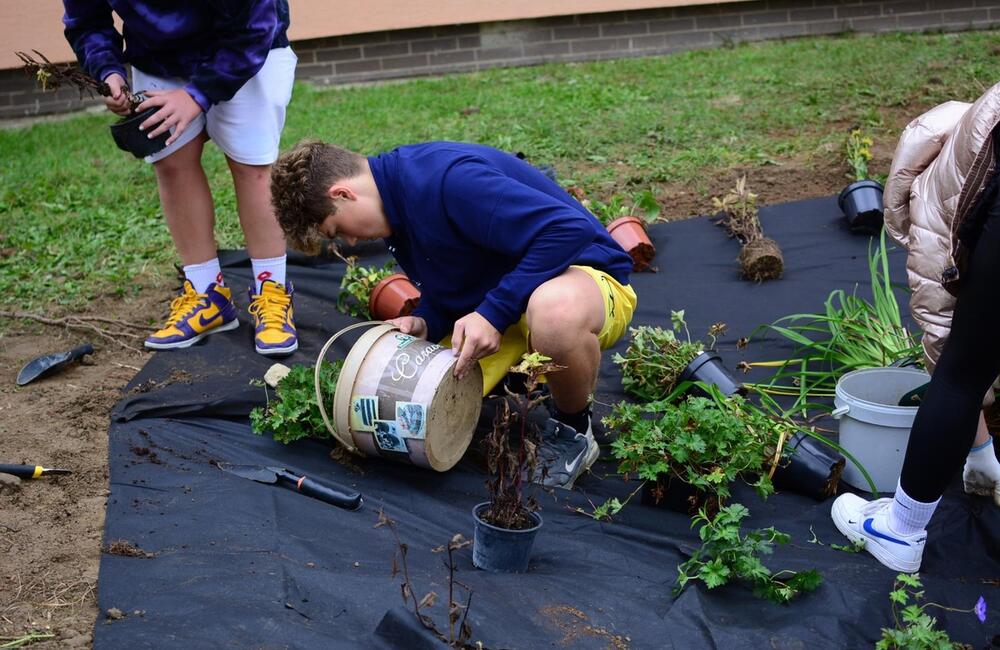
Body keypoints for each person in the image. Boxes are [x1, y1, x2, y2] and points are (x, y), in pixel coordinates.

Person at [270, 140, 638, 489]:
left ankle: (574, 430)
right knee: (417, 400)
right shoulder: (395, 205)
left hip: (583, 274)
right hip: (520, 298)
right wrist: (426, 320)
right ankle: (531, 373)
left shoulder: (448, 180)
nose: (350, 241)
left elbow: (567, 229)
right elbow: (454, 281)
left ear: (342, 194)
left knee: (554, 314)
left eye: (337, 230)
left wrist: (493, 314)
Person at [62, 0, 299, 356]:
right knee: (172, 164)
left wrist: (197, 96)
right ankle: (208, 296)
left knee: (253, 166)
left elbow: (252, 28)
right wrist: (108, 70)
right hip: (158, 56)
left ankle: (272, 292)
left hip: (243, 46)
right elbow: (86, 20)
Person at [831, 83, 1000, 572]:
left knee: (959, 375)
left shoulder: (938, 189)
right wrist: (983, 453)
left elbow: (951, 344)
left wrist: (974, 437)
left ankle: (900, 531)